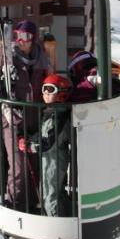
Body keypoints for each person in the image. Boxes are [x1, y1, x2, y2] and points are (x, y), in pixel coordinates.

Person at [0, 19, 53, 210]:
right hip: (13, 122)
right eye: (18, 36)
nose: (21, 40)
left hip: (36, 120)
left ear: (33, 38)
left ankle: (35, 203)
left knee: (36, 164)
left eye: (26, 36)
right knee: (19, 167)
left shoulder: (42, 59)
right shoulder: (6, 58)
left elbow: (49, 83)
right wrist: (5, 106)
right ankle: (15, 204)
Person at [37, 73, 74, 217]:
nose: (46, 93)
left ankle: (55, 222)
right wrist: (28, 139)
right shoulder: (50, 112)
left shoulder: (60, 115)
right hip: (49, 158)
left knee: (50, 193)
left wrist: (31, 146)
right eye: (44, 89)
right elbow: (43, 133)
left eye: (50, 89)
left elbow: (50, 141)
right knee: (48, 191)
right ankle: (61, 217)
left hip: (55, 158)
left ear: (61, 94)